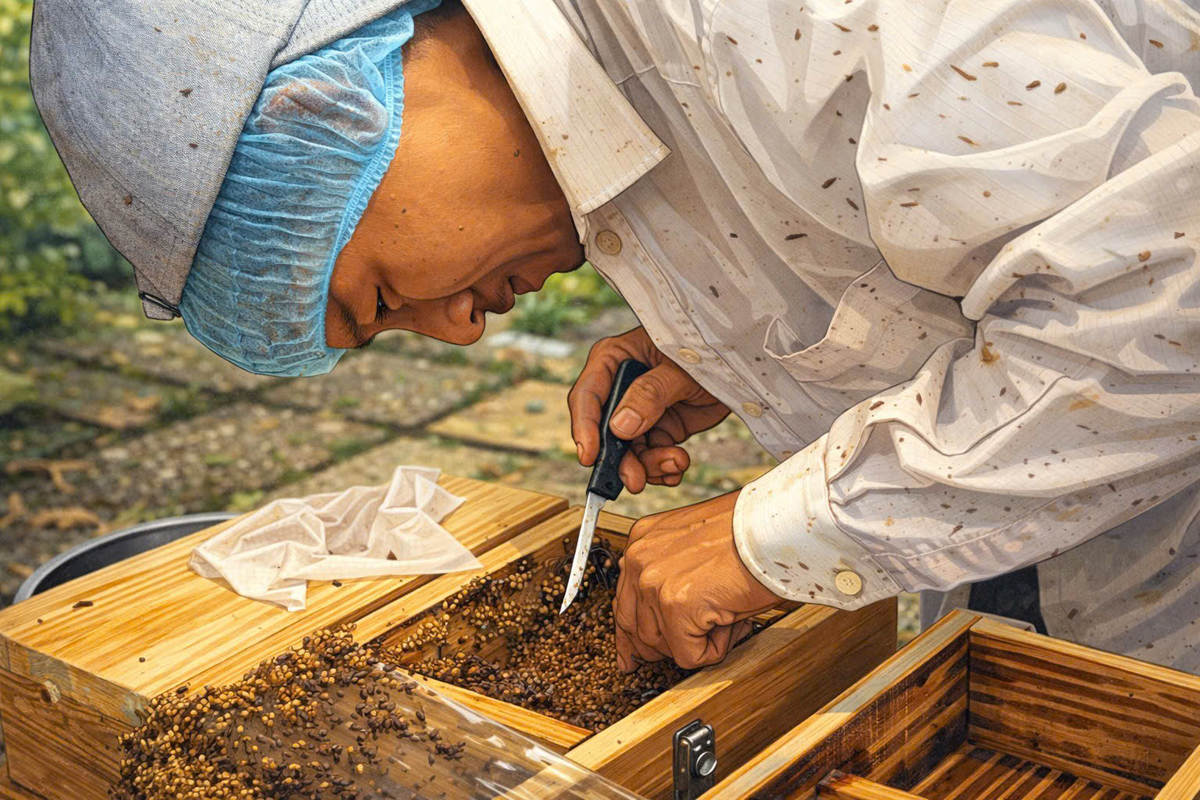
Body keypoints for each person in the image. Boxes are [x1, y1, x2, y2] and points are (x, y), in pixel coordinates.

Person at [31, 0, 1200, 675]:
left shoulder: (777, 19)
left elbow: (1168, 287)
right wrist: (772, 335)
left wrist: (780, 533)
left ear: (355, 93)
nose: (460, 332)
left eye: (382, 294)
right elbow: (976, 231)